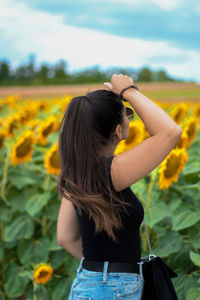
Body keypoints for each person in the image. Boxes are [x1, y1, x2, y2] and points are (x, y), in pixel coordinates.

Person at [56, 74, 182, 300]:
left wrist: (101, 268)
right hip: (112, 289)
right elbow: (170, 132)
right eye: (128, 115)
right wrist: (129, 92)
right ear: (116, 130)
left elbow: (65, 237)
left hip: (90, 284)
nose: (130, 120)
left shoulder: (78, 172)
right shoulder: (111, 171)